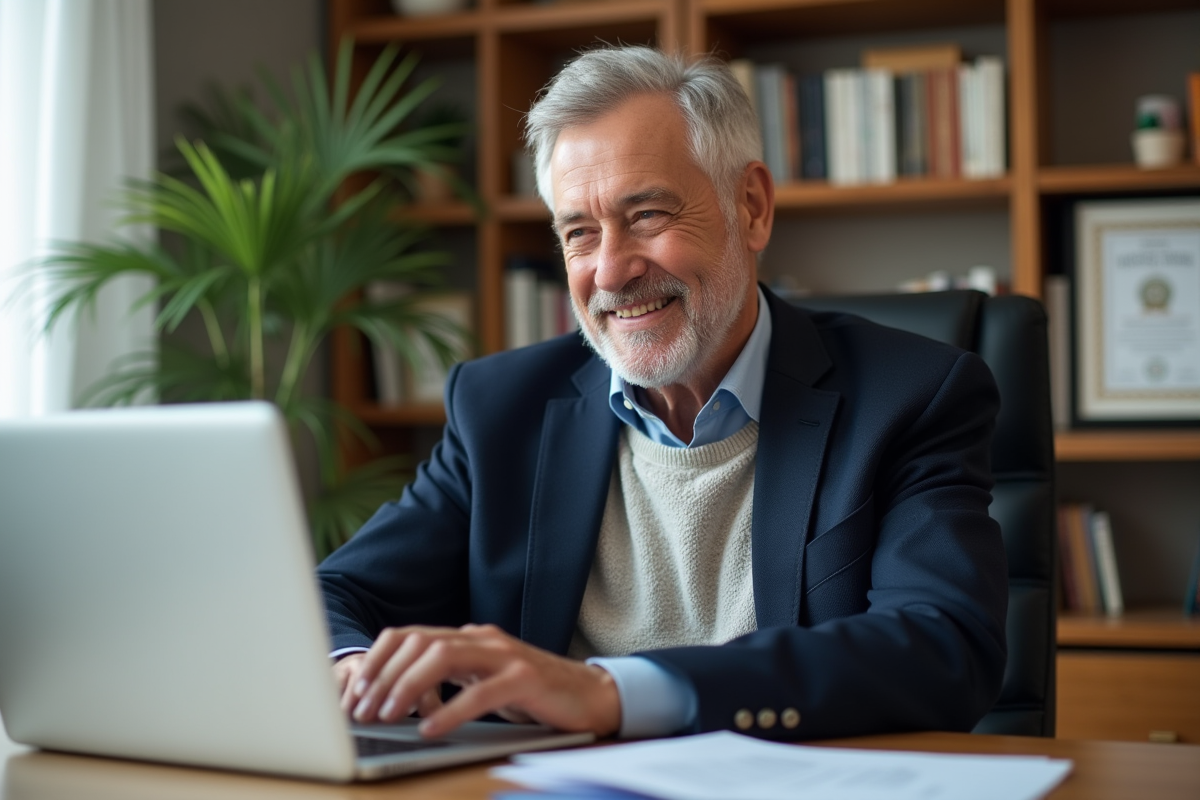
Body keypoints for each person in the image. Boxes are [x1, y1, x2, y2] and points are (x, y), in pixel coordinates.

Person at [318, 45, 1007, 743]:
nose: (611, 271)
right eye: (579, 233)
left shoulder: (911, 397)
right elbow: (333, 594)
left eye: (647, 215)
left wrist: (611, 692)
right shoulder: (501, 408)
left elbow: (942, 647)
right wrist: (351, 668)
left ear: (752, 207)